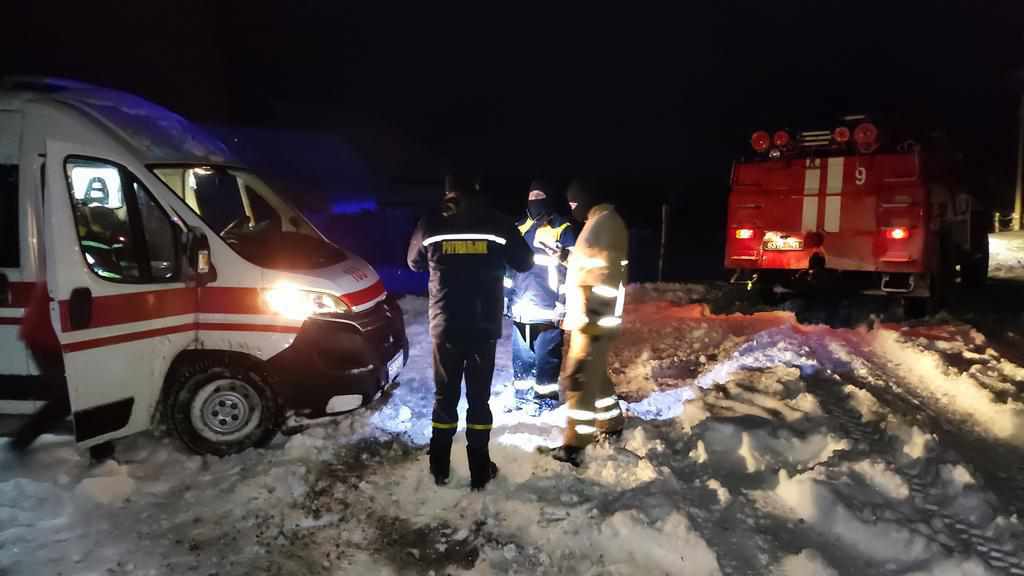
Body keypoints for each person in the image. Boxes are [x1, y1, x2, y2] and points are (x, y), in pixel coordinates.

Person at [408, 173, 533, 489]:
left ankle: (439, 468)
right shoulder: (497, 222)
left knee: (444, 397)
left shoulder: (431, 222)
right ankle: (479, 471)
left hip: (445, 325)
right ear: (477, 188)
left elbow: (413, 263)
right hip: (482, 327)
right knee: (479, 400)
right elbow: (525, 261)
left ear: (448, 192)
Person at [549, 178, 628, 466]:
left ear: (584, 200)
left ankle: (575, 446)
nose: (571, 209)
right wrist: (567, 258)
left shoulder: (605, 224)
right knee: (594, 373)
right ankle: (612, 424)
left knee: (578, 378)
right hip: (591, 317)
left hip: (593, 318)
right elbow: (593, 264)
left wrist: (595, 318)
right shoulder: (599, 223)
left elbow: (607, 276)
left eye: (573, 203)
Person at [505, 179, 577, 409]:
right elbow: (508, 268)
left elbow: (574, 270)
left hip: (549, 308)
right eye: (532, 196)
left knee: (547, 358)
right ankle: (522, 397)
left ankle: (545, 401)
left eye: (540, 196)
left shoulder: (563, 229)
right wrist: (506, 299)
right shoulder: (518, 228)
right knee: (522, 357)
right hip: (520, 307)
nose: (535, 201)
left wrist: (565, 305)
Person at [8, 280, 70, 453]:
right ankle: (21, 440)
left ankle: (101, 450)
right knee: (68, 398)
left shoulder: (62, 267)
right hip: (45, 340)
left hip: (44, 336)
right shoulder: (64, 270)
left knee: (75, 393)